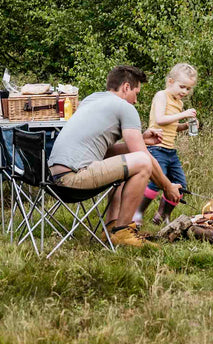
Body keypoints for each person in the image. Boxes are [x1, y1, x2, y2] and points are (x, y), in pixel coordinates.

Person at [48, 65, 182, 248]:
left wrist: (140, 139)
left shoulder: (91, 99)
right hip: (74, 178)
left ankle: (110, 228)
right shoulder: (125, 108)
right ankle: (122, 231)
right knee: (142, 162)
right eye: (136, 93)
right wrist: (167, 186)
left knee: (128, 162)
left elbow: (103, 153)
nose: (136, 100)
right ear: (126, 87)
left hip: (55, 178)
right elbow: (142, 156)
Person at [133, 63, 198, 227]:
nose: (184, 92)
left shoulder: (179, 103)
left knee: (180, 183)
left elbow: (171, 125)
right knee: (156, 182)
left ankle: (163, 215)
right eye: (182, 86)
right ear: (170, 81)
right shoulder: (162, 96)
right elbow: (160, 119)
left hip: (170, 150)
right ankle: (137, 214)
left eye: (188, 89)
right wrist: (184, 114)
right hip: (156, 148)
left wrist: (185, 125)